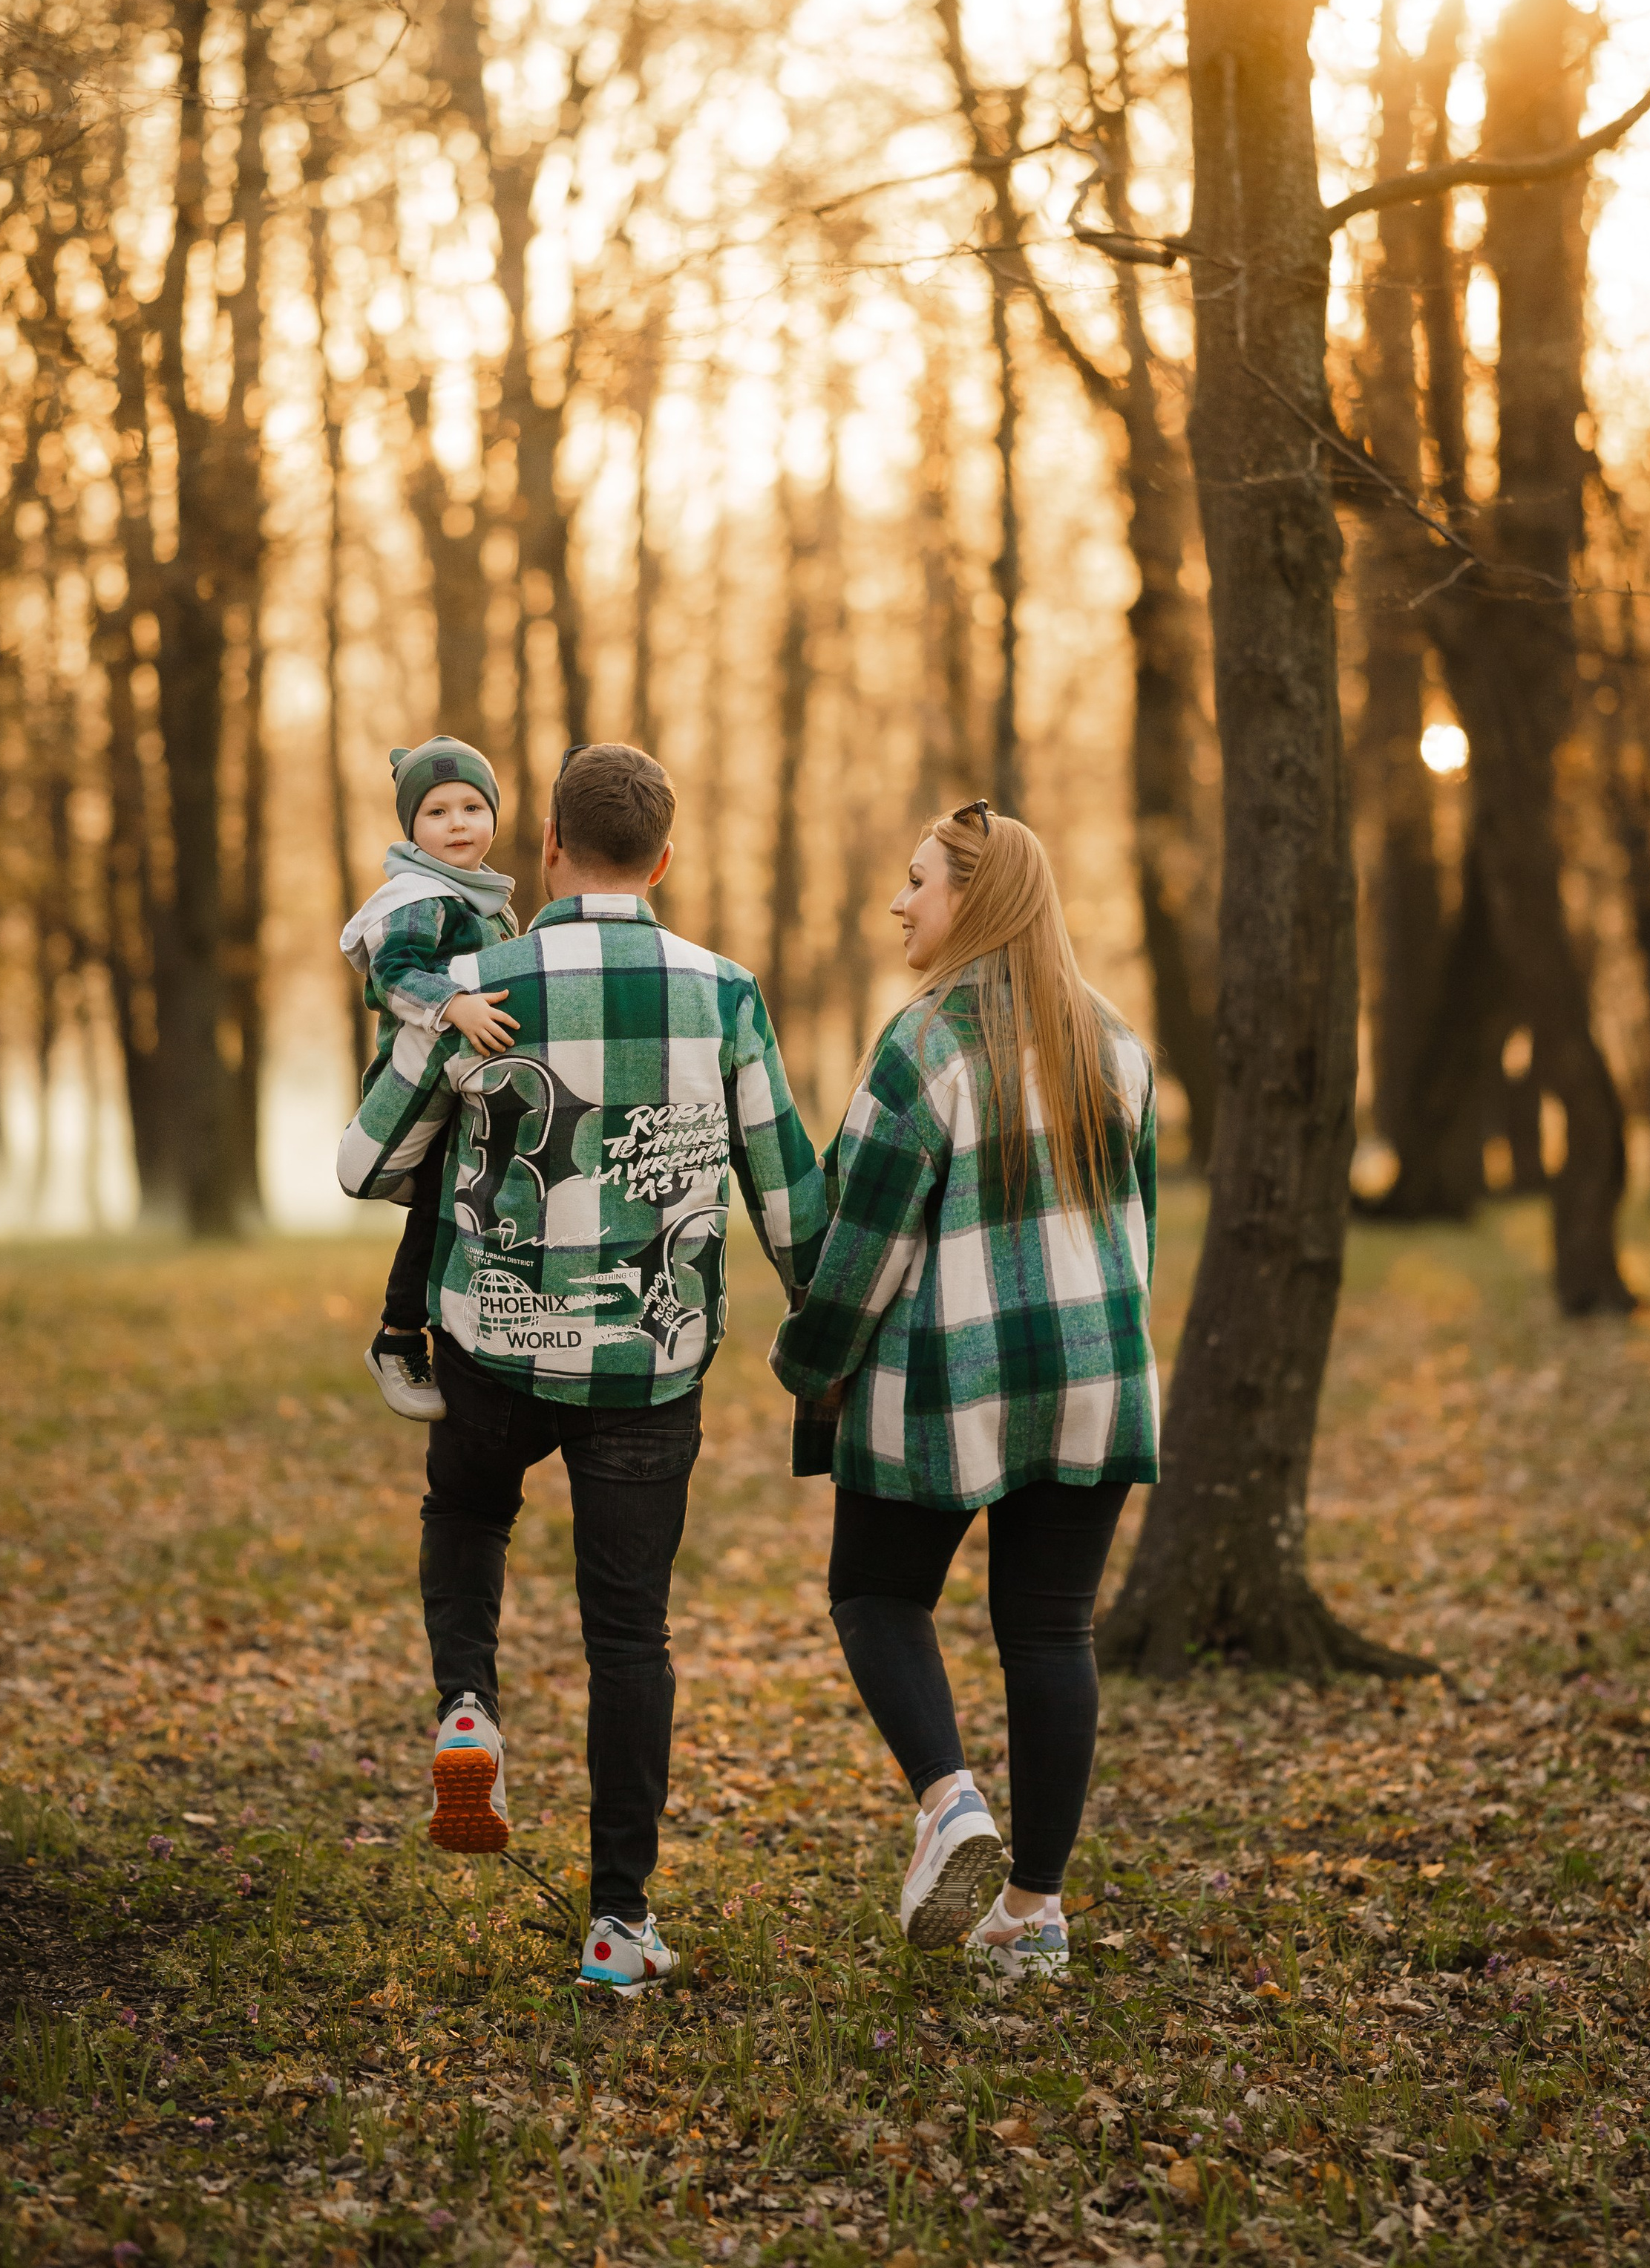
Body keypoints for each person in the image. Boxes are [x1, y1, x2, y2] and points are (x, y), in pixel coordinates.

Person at [337, 742, 828, 1996]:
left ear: (546, 848)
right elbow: (787, 1192)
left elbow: (364, 1163)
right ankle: (618, 1921)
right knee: (629, 1636)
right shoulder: (723, 992)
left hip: (495, 1339)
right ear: (662, 860)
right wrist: (835, 1331)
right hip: (650, 1365)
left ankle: (467, 1706)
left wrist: (461, 1092)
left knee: (468, 1509)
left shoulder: (473, 979)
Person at [770, 801, 1159, 1983]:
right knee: (1050, 1630)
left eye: (918, 882)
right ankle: (1033, 1912)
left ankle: (949, 1805)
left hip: (950, 1384)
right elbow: (1137, 1231)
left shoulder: (923, 1046)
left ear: (973, 901)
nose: (900, 903)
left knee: (874, 1594)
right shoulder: (1117, 1043)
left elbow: (864, 1246)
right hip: (1095, 1378)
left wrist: (812, 1363)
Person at [341, 736, 522, 1422]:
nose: (457, 824)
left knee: (460, 1205)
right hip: (420, 1084)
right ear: (411, 828)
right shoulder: (419, 896)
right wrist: (454, 1002)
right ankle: (396, 1336)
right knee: (432, 1213)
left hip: (468, 1083)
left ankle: (467, 1326)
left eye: (472, 807)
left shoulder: (483, 896)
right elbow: (395, 973)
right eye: (437, 812)